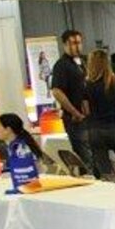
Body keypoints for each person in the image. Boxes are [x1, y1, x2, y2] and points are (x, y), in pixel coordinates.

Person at [82, 49, 115, 177]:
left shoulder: (86, 85)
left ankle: (110, 186)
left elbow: (86, 110)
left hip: (95, 130)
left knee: (105, 171)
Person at [50, 29, 92, 173]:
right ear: (65, 45)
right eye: (73, 43)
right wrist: (74, 112)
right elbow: (57, 91)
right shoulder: (61, 65)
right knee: (86, 159)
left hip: (91, 118)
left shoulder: (84, 62)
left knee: (94, 156)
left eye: (79, 43)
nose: (77, 46)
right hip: (76, 119)